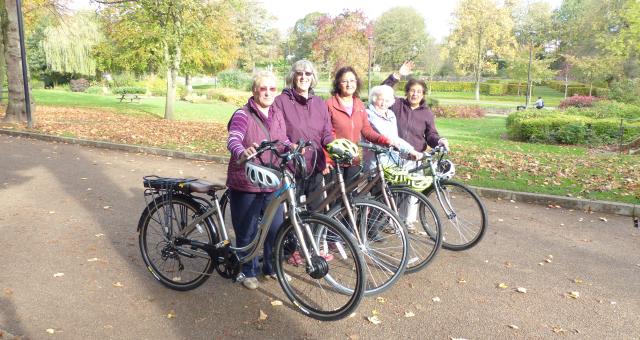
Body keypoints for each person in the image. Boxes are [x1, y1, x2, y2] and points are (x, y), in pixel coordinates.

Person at [226, 71, 292, 290]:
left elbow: (283, 140)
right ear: (255, 90)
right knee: (247, 229)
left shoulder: (277, 113)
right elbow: (233, 139)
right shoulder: (242, 114)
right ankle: (248, 270)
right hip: (247, 181)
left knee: (275, 228)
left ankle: (272, 267)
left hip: (272, 179)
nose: (267, 92)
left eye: (272, 89)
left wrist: (293, 148)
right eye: (263, 88)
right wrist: (242, 153)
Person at [273, 59, 334, 195]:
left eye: (308, 73)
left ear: (313, 77)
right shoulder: (280, 101)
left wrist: (334, 146)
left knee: (316, 213)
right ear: (293, 76)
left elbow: (326, 133)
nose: (304, 77)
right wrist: (290, 146)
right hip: (291, 168)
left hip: (315, 167)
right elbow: (277, 133)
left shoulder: (319, 103)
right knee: (292, 214)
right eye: (299, 73)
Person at [326, 66, 392, 181]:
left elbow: (366, 129)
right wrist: (327, 158)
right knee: (335, 197)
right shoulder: (329, 104)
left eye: (352, 81)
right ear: (338, 84)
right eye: (344, 81)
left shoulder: (359, 104)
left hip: (353, 161)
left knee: (352, 197)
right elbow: (325, 133)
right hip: (335, 161)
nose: (349, 84)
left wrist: (383, 140)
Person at [382, 61, 449, 154]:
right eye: (412, 91)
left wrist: (439, 141)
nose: (415, 94)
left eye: (419, 92)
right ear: (407, 92)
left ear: (423, 95)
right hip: (393, 154)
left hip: (415, 158)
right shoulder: (397, 104)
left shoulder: (427, 113)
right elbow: (382, 92)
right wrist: (398, 75)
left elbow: (431, 135)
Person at [364, 84, 422, 171]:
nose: (383, 104)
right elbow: (387, 136)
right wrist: (410, 150)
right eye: (381, 100)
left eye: (387, 101)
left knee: (416, 169)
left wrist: (412, 151)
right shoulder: (369, 114)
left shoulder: (390, 114)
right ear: (374, 99)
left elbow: (395, 137)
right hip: (376, 161)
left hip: (393, 159)